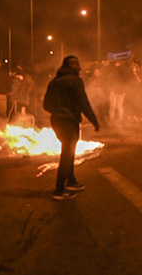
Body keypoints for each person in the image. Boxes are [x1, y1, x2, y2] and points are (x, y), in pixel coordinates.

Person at [42, 56, 100, 200]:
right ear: (73, 66)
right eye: (78, 65)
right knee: (67, 154)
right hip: (70, 121)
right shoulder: (75, 81)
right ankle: (59, 190)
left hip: (56, 121)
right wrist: (94, 121)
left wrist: (58, 111)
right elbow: (83, 103)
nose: (80, 68)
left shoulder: (54, 82)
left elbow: (46, 105)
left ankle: (72, 181)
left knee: (69, 151)